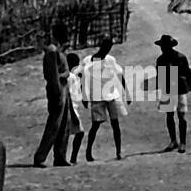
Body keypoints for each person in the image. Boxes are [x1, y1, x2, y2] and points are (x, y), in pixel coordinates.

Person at [80, 36, 131, 161]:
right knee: (96, 124)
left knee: (115, 123)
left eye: (109, 48)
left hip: (111, 95)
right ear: (100, 46)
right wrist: (84, 96)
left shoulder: (110, 60)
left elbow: (120, 75)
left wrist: (127, 93)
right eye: (105, 47)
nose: (106, 50)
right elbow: (83, 78)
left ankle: (119, 152)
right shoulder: (88, 61)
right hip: (96, 97)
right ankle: (88, 152)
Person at [32, 24, 71, 168]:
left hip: (64, 88)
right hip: (58, 90)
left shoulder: (58, 50)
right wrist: (58, 92)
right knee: (54, 125)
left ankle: (60, 156)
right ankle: (40, 156)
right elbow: (52, 75)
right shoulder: (52, 51)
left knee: (64, 124)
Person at [154, 34, 191, 153]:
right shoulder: (160, 60)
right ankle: (173, 140)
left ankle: (183, 142)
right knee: (169, 116)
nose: (163, 48)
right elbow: (160, 75)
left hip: (179, 88)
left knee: (182, 116)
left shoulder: (181, 58)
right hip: (167, 88)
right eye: (162, 46)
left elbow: (187, 74)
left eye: (165, 46)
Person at [66, 52, 86, 164]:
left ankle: (70, 157)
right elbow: (68, 95)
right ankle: (73, 157)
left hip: (71, 107)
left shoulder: (69, 76)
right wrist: (73, 113)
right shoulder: (71, 77)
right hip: (71, 108)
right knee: (80, 132)